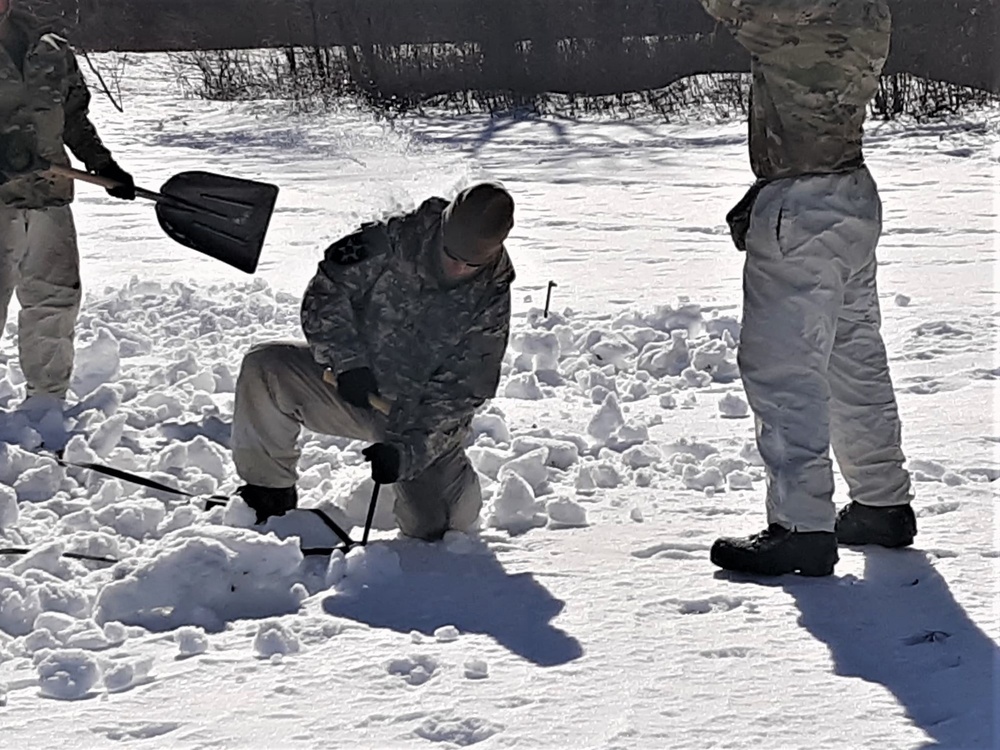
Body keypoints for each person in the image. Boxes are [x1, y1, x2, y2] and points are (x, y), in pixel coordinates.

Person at [698, 0, 917, 576]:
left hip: (801, 208)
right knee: (853, 357)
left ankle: (801, 527)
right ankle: (881, 501)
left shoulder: (799, 11)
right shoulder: (869, 12)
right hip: (849, 190)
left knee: (784, 370)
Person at [230, 183, 516, 540]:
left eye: (471, 263)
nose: (459, 268)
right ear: (442, 229)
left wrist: (407, 453)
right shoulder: (393, 240)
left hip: (418, 420)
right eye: (451, 255)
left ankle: (444, 494)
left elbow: (462, 391)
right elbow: (326, 293)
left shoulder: (491, 294)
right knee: (265, 368)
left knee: (439, 526)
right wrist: (348, 362)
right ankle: (267, 495)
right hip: (352, 388)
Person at [0, 0, 135, 409]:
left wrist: (102, 162)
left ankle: (46, 402)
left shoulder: (51, 48)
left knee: (54, 299)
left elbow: (74, 115)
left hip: (50, 195)